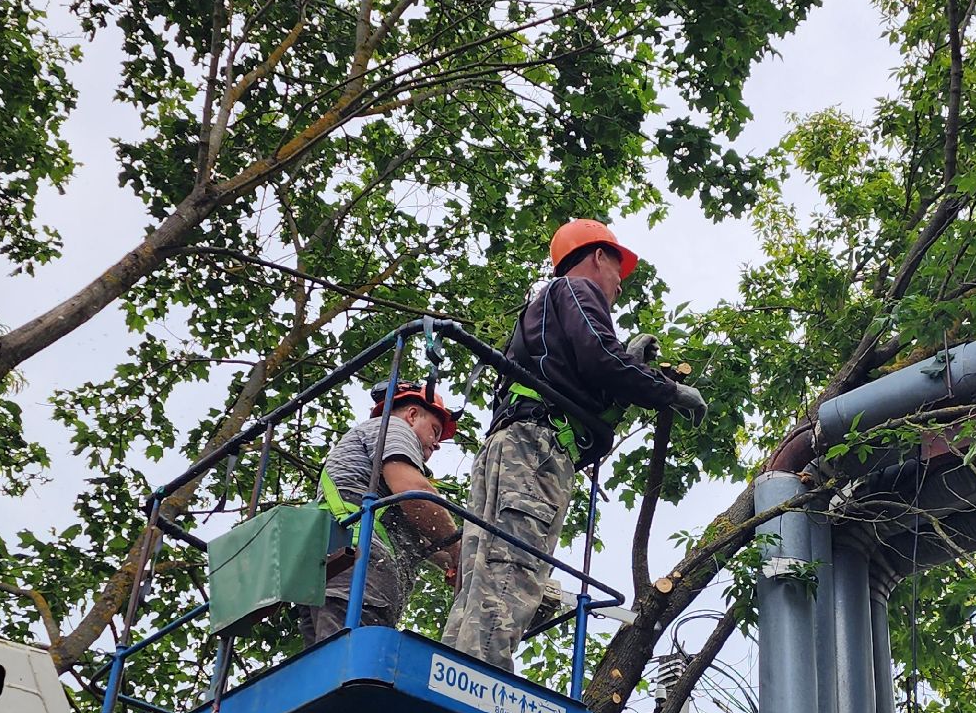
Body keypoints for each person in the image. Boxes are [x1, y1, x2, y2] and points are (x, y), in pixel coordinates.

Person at [441, 218, 706, 671]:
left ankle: (450, 672)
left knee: (480, 575)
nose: (620, 282)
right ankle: (479, 686)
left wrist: (627, 369)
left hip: (510, 444)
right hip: (537, 450)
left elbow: (584, 373)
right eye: (618, 267)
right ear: (599, 256)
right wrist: (668, 392)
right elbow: (601, 359)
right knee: (512, 571)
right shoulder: (578, 291)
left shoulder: (542, 311)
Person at [301, 378, 463, 647]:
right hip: (357, 568)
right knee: (348, 667)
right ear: (412, 415)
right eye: (435, 431)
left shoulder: (375, 470)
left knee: (328, 669)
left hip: (337, 568)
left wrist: (454, 563)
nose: (436, 444)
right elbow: (414, 493)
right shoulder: (393, 428)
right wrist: (460, 548)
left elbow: (421, 539)